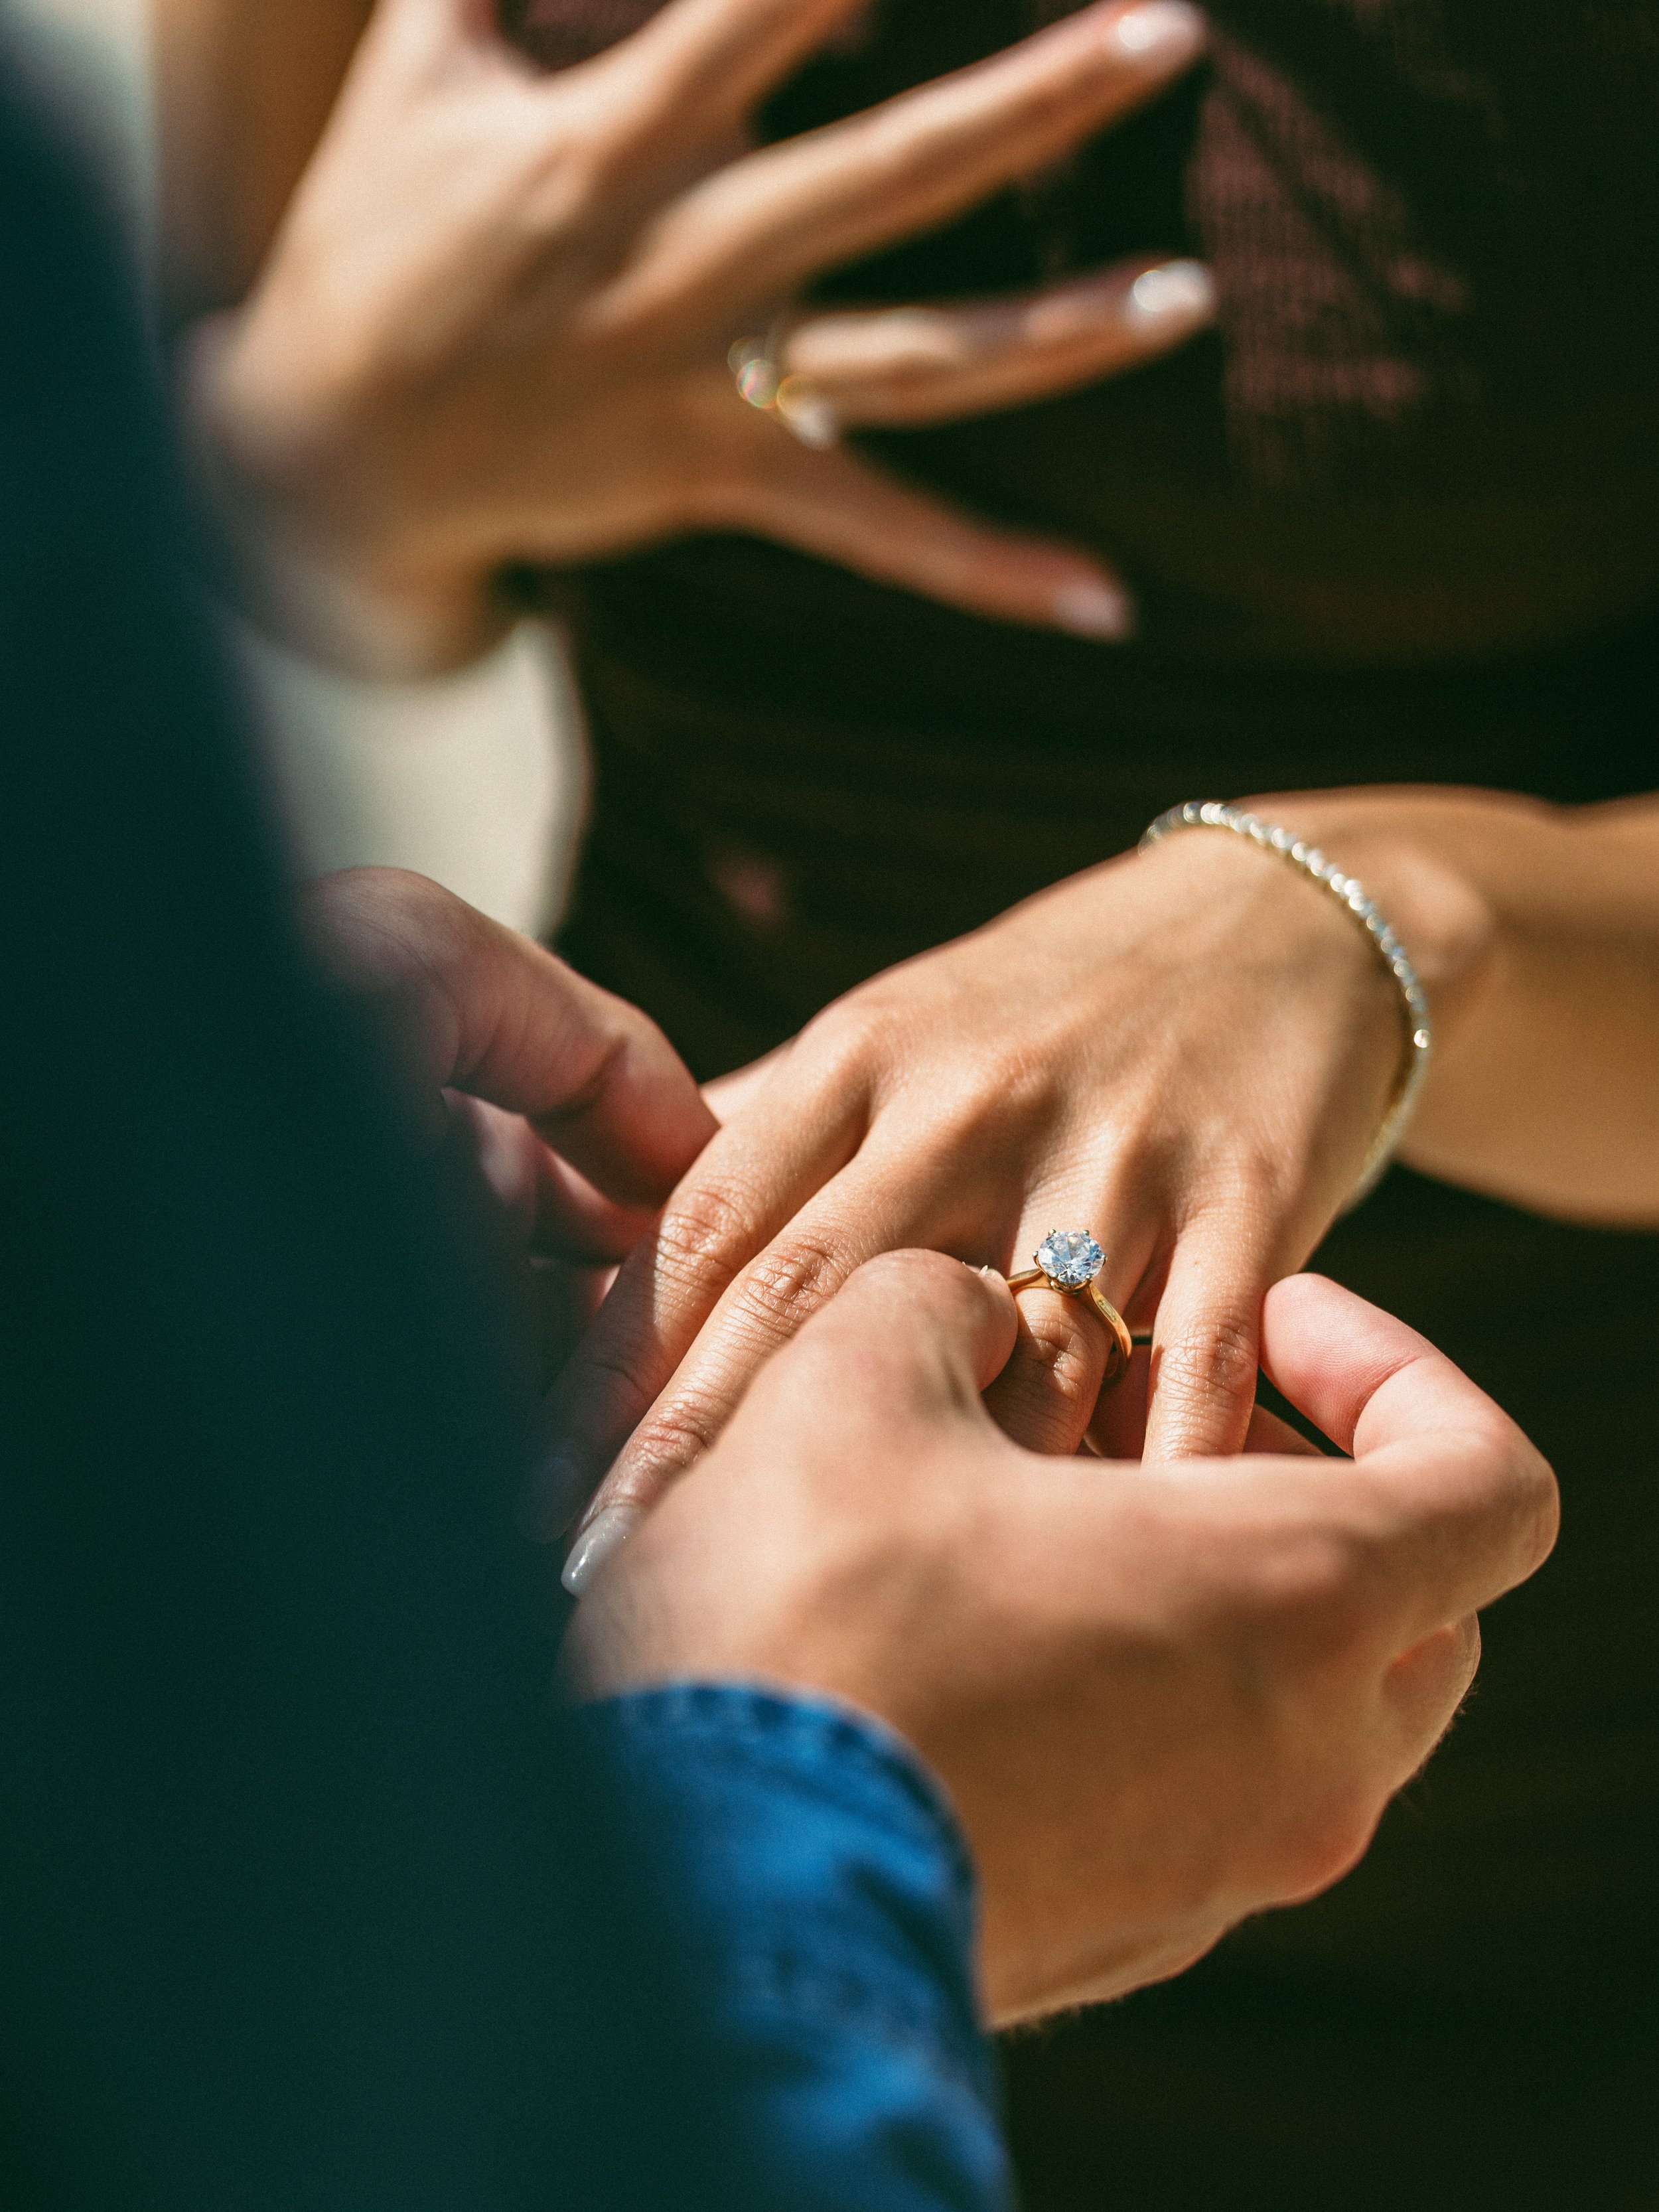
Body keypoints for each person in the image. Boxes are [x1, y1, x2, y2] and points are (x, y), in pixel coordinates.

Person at [0, 49, 1566, 2210]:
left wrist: (1395, 912)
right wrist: (326, 469)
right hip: (616, 1615)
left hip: (1523, 1824)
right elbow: (232, 480)